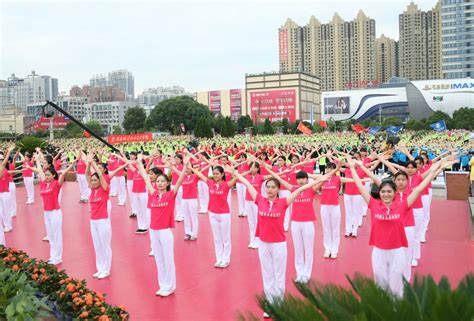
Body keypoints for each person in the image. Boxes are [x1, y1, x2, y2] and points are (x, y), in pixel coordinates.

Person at [346, 156, 447, 297]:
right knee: (380, 282)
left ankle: (396, 307)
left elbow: (418, 190)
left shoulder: (402, 205)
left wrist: (434, 170)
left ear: (394, 193)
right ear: (379, 193)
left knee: (396, 283)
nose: (386, 194)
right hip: (379, 251)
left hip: (397, 250)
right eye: (383, 192)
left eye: (389, 192)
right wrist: (352, 167)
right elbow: (359, 185)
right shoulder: (373, 204)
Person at [235, 172, 328, 318]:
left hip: (278, 245)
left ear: (278, 189)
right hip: (264, 244)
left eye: (273, 187)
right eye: (268, 187)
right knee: (267, 276)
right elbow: (247, 184)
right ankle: (269, 304)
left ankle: (279, 304)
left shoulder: (284, 202)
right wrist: (235, 173)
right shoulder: (260, 200)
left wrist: (318, 180)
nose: (270, 190)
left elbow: (300, 189)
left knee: (279, 276)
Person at [137, 153, 186, 297]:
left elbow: (180, 180)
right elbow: (146, 177)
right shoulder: (153, 194)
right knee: (159, 259)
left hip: (165, 231)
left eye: (162, 181)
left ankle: (170, 286)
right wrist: (140, 163)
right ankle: (163, 285)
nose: (159, 183)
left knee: (168, 259)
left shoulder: (170, 195)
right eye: (157, 181)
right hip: (153, 231)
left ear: (167, 183)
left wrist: (185, 166)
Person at [27, 149, 74, 265]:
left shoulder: (56, 184)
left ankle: (58, 257)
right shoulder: (43, 183)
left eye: (48, 175)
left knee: (57, 235)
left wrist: (70, 166)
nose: (46, 176)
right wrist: (37, 160)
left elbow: (62, 174)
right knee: (51, 236)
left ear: (53, 175)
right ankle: (53, 256)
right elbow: (39, 170)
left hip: (55, 212)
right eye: (45, 175)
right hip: (46, 213)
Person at [191, 165, 238, 268]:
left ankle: (226, 259)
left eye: (217, 174)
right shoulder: (210, 183)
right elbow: (198, 174)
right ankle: (219, 259)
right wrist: (189, 166)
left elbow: (237, 177)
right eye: (214, 174)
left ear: (222, 175)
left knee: (225, 239)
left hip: (224, 214)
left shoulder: (227, 185)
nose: (215, 176)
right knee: (217, 238)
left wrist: (233, 171)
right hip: (213, 214)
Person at [85, 156, 113, 279]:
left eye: (95, 180)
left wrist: (95, 166)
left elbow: (101, 176)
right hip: (93, 221)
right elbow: (86, 174)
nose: (93, 182)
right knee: (97, 246)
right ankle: (100, 268)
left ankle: (106, 269)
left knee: (105, 245)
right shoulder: (92, 190)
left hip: (103, 220)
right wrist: (89, 164)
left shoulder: (104, 190)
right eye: (92, 180)